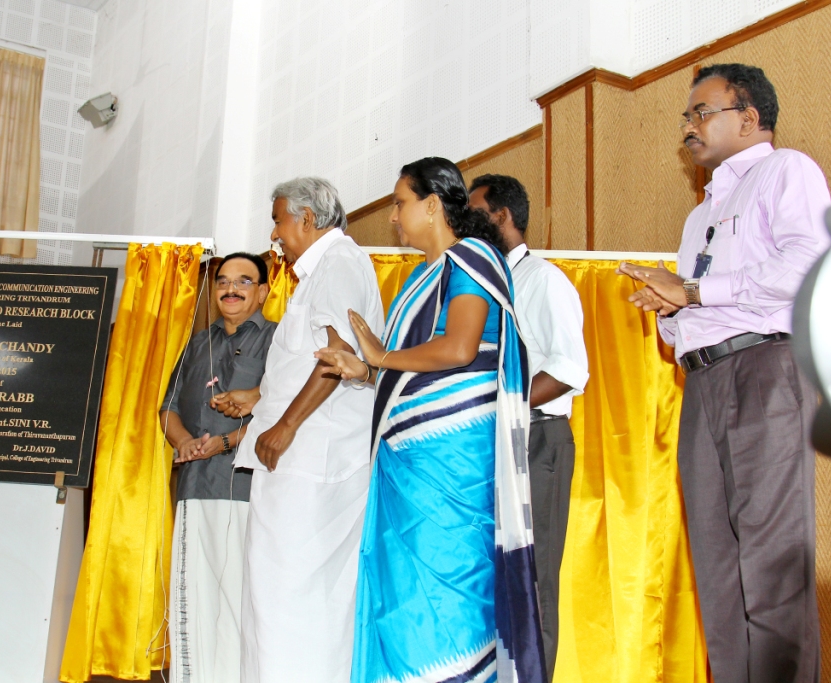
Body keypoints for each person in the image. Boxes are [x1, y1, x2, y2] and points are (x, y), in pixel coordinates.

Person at [618, 64, 830, 683]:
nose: (689, 127)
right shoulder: (698, 216)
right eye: (686, 116)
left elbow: (806, 268)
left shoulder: (786, 170)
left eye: (701, 112)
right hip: (703, 382)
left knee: (769, 563)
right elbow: (692, 315)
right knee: (717, 566)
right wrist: (669, 311)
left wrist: (694, 291)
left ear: (749, 117)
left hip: (765, 368)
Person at [317, 157, 546, 683]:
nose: (394, 217)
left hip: (452, 457)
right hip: (407, 463)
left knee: (448, 586)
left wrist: (379, 358)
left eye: (400, 203)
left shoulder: (472, 259)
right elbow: (410, 372)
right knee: (401, 592)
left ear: (433, 204)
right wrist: (364, 370)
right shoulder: (419, 279)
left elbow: (460, 348)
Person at [212, 177, 384, 683]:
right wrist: (262, 401)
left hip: (315, 464)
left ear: (308, 218)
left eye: (278, 220)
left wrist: (284, 425)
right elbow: (307, 363)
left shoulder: (341, 261)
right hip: (299, 464)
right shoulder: (318, 272)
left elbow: (340, 356)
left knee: (295, 598)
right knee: (275, 595)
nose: (274, 235)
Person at [468, 174, 588, 677]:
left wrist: (505, 409)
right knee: (490, 581)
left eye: (474, 214)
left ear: (501, 217)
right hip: (493, 442)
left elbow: (567, 369)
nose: (463, 223)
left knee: (532, 582)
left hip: (537, 440)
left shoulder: (542, 279)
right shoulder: (481, 284)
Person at [158, 252, 277, 683]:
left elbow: (281, 412)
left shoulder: (279, 342)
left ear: (263, 291)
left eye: (244, 281)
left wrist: (224, 443)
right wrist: (185, 442)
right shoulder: (197, 344)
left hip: (252, 490)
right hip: (195, 487)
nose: (231, 289)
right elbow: (168, 409)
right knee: (196, 600)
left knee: (246, 602)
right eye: (223, 280)